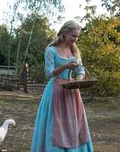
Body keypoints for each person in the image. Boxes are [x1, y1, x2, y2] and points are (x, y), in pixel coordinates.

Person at [30, 20, 94, 152]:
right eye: (73, 36)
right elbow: (49, 73)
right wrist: (65, 66)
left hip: (72, 91)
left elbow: (80, 70)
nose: (75, 39)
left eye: (77, 36)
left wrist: (78, 81)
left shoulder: (74, 51)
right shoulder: (50, 50)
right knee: (56, 123)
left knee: (73, 123)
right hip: (55, 91)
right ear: (65, 33)